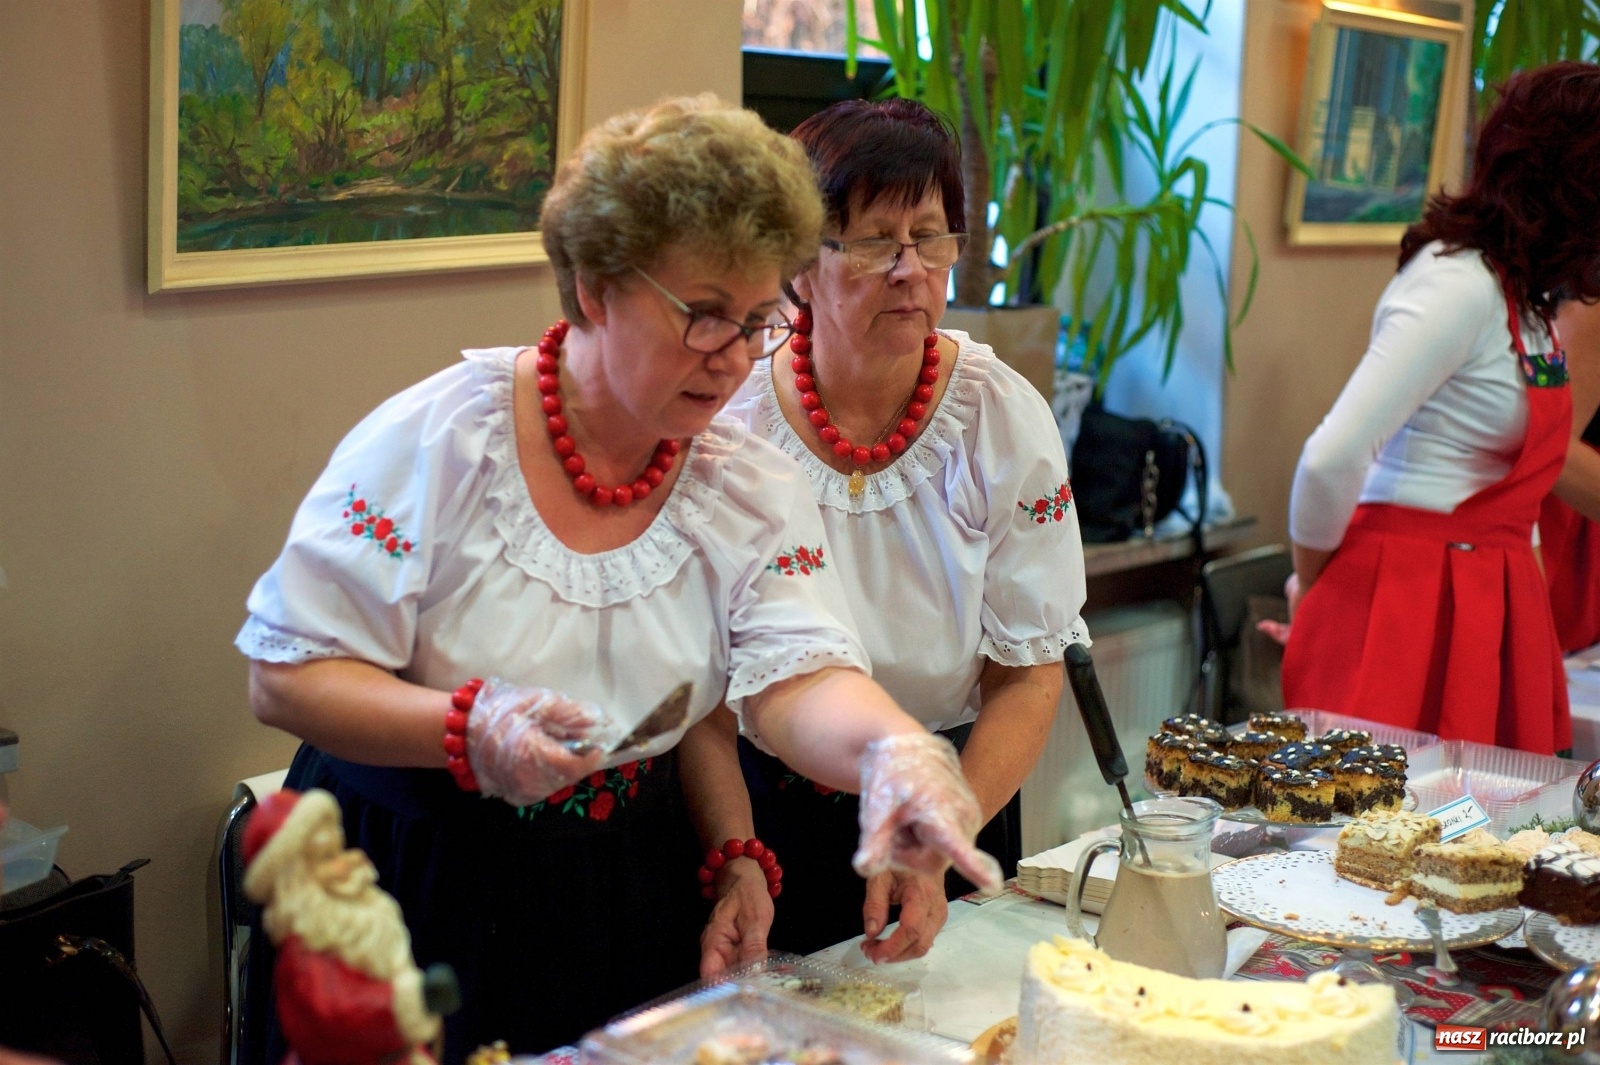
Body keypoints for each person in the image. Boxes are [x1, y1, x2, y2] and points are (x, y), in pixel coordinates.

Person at [236, 95, 998, 1059]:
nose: (732, 359)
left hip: (619, 886)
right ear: (596, 285)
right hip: (411, 884)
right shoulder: (439, 444)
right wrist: (465, 727)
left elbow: (796, 680)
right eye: (705, 316)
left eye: (760, 319)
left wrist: (893, 749)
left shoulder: (741, 485)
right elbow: (284, 674)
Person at [709, 98, 1089, 960]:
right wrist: (734, 849)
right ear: (802, 264)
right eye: (877, 240)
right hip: (768, 804)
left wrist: (942, 823)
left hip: (957, 788)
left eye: (933, 236)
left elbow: (1029, 675)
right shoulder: (731, 423)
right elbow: (702, 682)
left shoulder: (999, 415)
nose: (910, 268)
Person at [1275, 63, 1600, 753]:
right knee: (1374, 840)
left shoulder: (1530, 301)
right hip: (1405, 602)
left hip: (1495, 600)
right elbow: (1332, 456)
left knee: (1483, 843)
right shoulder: (1457, 281)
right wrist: (1314, 584)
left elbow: (1522, 490)